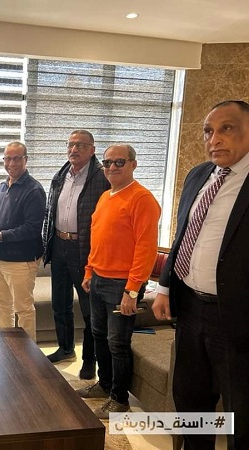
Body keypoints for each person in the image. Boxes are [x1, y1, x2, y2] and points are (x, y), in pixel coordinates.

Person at [152, 100, 249, 450]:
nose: (214, 139)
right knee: (191, 402)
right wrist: (165, 287)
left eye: (227, 128)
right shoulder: (199, 174)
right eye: (208, 131)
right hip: (190, 310)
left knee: (241, 416)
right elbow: (183, 236)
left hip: (237, 319)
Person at [78, 144, 160, 419]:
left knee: (118, 343)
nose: (112, 167)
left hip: (122, 285)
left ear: (133, 164)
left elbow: (146, 249)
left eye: (119, 162)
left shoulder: (142, 199)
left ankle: (119, 399)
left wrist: (132, 290)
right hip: (98, 279)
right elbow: (97, 239)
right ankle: (104, 384)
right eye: (107, 162)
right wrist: (89, 271)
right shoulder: (105, 197)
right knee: (99, 335)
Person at [42, 130, 109, 379]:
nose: (74, 149)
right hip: (59, 245)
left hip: (85, 249)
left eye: (80, 145)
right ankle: (66, 348)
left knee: (89, 309)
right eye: (71, 144)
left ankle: (89, 360)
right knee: (60, 304)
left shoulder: (102, 177)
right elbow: (50, 212)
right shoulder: (61, 176)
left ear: (92, 149)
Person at [0, 141, 46, 342]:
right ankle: (6, 349)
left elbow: (32, 228)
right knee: (3, 306)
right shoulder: (3, 186)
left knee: (23, 310)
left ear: (26, 160)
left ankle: (27, 355)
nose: (12, 163)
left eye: (17, 158)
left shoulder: (34, 190)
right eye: (7, 158)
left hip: (21, 260)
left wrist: (0, 236)